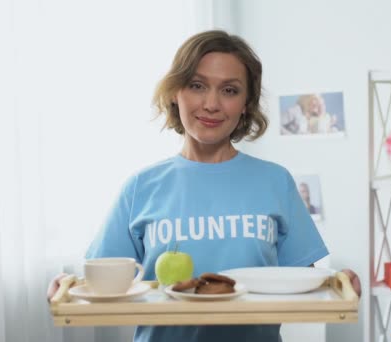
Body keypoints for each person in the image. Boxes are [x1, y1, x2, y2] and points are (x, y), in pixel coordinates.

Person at [47, 29, 360, 342]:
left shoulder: (275, 181)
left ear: (246, 103)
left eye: (229, 90)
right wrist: (68, 284)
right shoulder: (141, 187)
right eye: (197, 86)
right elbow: (103, 284)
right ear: (175, 92)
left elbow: (305, 285)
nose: (211, 104)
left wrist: (339, 281)